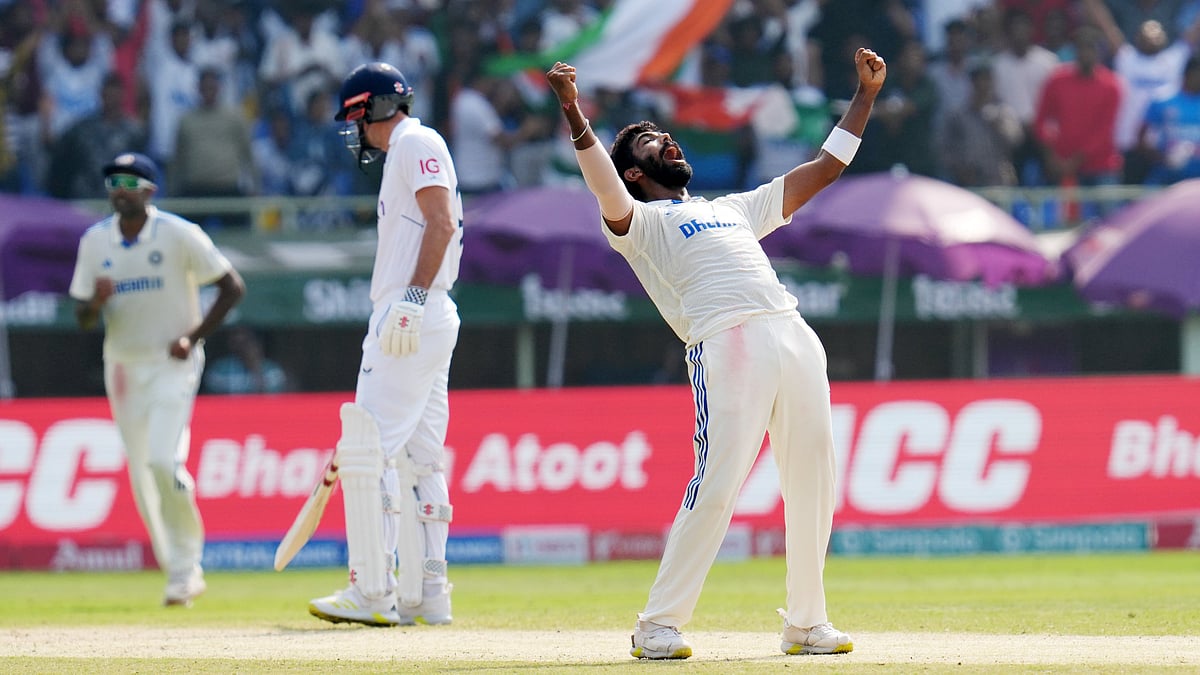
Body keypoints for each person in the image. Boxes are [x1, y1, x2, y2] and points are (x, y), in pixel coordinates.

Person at [545, 46, 886, 660]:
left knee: (813, 479)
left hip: (791, 331)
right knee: (718, 483)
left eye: (666, 135)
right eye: (651, 142)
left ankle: (807, 623)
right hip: (726, 342)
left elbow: (823, 170)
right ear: (633, 173)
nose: (667, 141)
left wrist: (865, 97)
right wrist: (574, 111)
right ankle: (657, 625)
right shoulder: (635, 222)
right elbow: (599, 177)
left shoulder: (731, 209)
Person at [306, 62, 463, 628]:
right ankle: (428, 595)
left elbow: (441, 222)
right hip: (427, 310)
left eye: (355, 117)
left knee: (367, 446)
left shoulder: (413, 141)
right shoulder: (412, 147)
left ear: (374, 107)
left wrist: (412, 299)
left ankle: (371, 591)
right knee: (421, 456)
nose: (355, 131)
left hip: (410, 309)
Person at [68, 151, 245, 607]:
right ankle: (177, 572)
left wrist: (192, 337)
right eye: (112, 182)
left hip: (173, 362)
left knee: (164, 463)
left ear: (149, 190)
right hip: (123, 367)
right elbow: (82, 318)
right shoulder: (94, 242)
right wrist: (96, 303)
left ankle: (187, 566)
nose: (119, 189)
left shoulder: (178, 235)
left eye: (128, 181)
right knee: (141, 472)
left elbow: (232, 288)